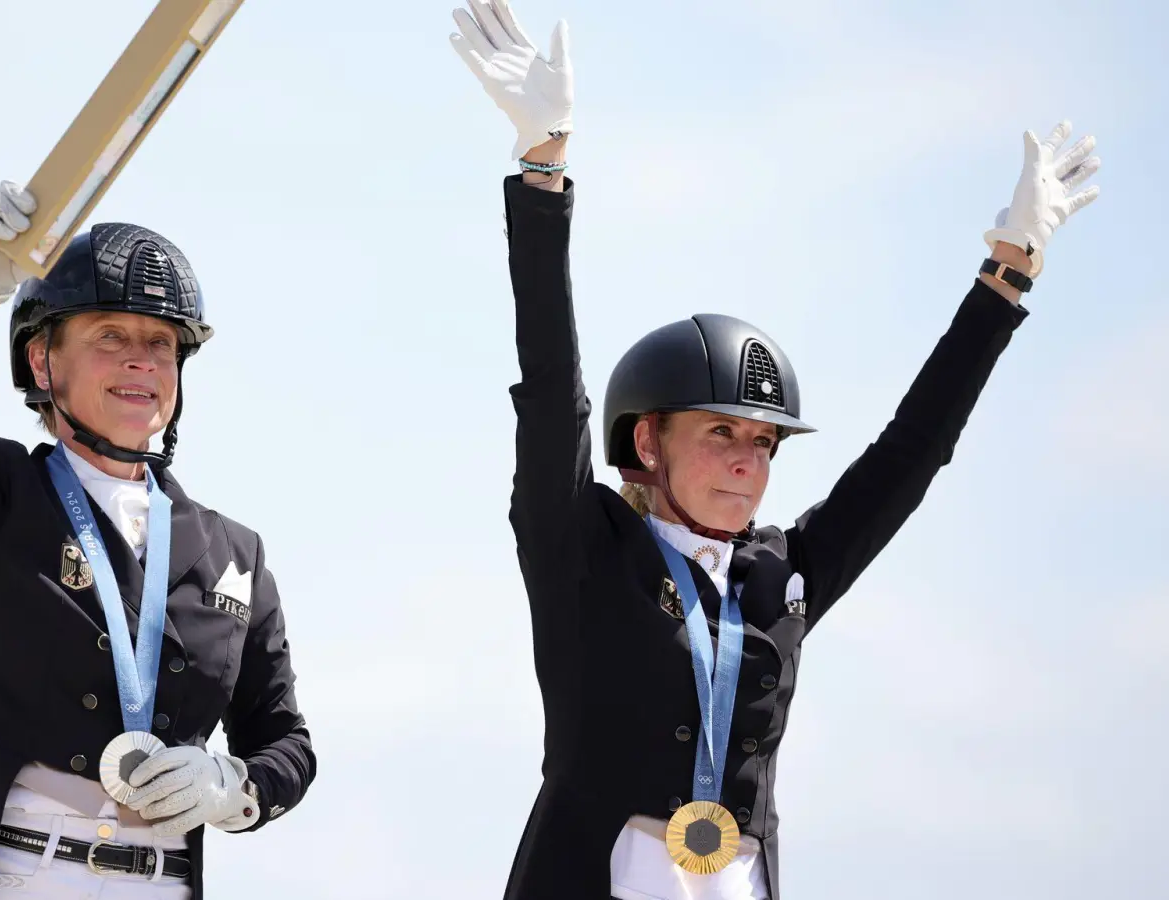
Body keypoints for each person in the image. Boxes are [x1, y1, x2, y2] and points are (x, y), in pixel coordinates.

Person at [447, 2, 1102, 898]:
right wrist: (543, 168)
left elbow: (910, 456)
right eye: (721, 434)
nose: (749, 462)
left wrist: (1007, 276)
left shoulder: (782, 577)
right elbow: (552, 388)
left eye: (763, 443)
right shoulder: (586, 553)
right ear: (648, 441)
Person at [0, 183, 315, 900]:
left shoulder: (234, 554)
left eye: (160, 344)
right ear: (42, 364)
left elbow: (287, 742)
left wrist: (232, 786)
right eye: (110, 337)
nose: (142, 362)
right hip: (7, 875)